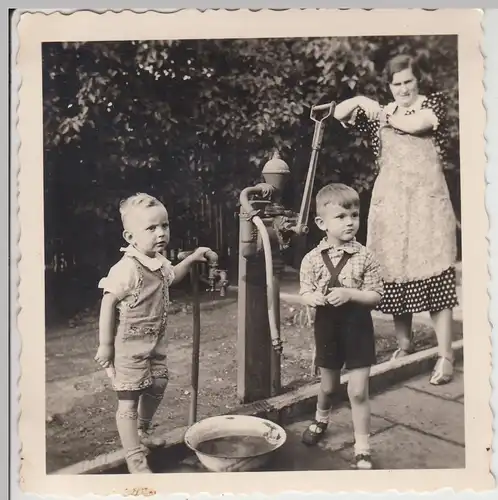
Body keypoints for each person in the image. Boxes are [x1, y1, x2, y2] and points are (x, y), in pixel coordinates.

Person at [333, 54, 459, 385]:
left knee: (435, 272)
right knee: (394, 271)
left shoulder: (432, 106)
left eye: (408, 81)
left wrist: (384, 113)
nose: (403, 88)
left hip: (427, 205)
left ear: (418, 82)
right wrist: (360, 99)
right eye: (396, 83)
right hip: (392, 205)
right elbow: (339, 114)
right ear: (389, 86)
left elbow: (416, 125)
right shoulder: (381, 112)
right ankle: (405, 345)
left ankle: (446, 355)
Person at [95, 192, 212, 474]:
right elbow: (108, 302)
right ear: (129, 236)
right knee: (129, 400)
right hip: (128, 347)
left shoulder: (157, 263)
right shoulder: (127, 268)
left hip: (154, 342)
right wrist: (105, 345)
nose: (161, 233)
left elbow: (173, 277)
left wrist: (194, 257)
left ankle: (142, 431)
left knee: (159, 383)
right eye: (151, 228)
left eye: (165, 226)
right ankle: (135, 459)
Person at [299, 183, 383, 470]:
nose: (350, 222)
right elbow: (305, 291)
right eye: (341, 217)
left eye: (355, 215)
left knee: (358, 391)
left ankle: (362, 448)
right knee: (328, 385)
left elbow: (375, 296)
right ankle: (321, 419)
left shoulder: (365, 257)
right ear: (322, 223)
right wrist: (313, 298)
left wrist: (350, 294)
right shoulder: (311, 259)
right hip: (328, 327)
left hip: (358, 326)